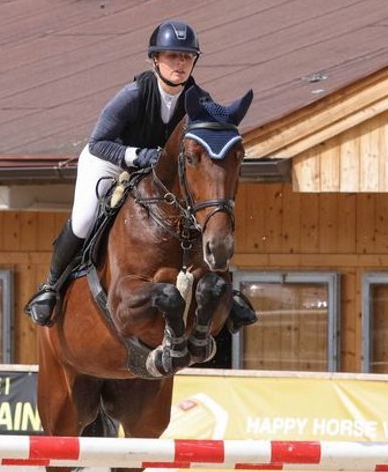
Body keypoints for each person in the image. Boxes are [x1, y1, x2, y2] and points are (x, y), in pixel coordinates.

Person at [25, 20, 257, 334]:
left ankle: (226, 290)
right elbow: (98, 142)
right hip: (111, 160)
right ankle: (51, 287)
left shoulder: (200, 100)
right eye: (172, 56)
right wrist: (138, 155)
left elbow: (211, 141)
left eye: (186, 57)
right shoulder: (134, 94)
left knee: (204, 211)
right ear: (155, 60)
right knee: (84, 218)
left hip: (158, 173)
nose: (180, 63)